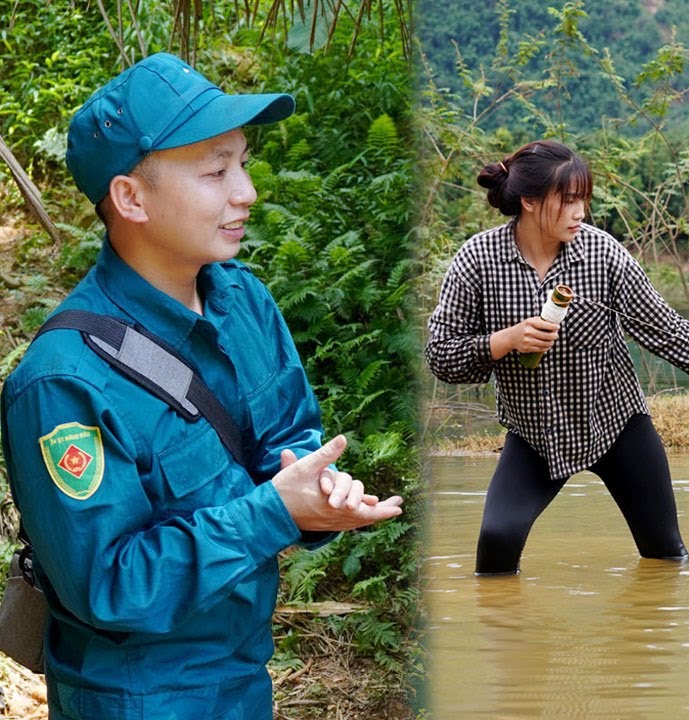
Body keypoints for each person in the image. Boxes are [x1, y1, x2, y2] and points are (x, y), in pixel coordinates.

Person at [0, 53, 403, 719]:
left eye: (241, 162)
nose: (244, 190)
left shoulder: (242, 301)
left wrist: (316, 487)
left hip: (245, 678)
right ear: (130, 197)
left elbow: (288, 434)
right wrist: (275, 512)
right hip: (136, 699)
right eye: (216, 171)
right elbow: (109, 585)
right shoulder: (63, 382)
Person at [427, 139, 689, 575]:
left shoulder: (602, 254)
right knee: (496, 546)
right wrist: (505, 340)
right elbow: (441, 356)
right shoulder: (477, 260)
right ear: (529, 201)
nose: (580, 213)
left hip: (616, 426)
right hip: (535, 435)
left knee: (666, 558)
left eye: (583, 200)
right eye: (567, 201)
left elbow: (669, 332)